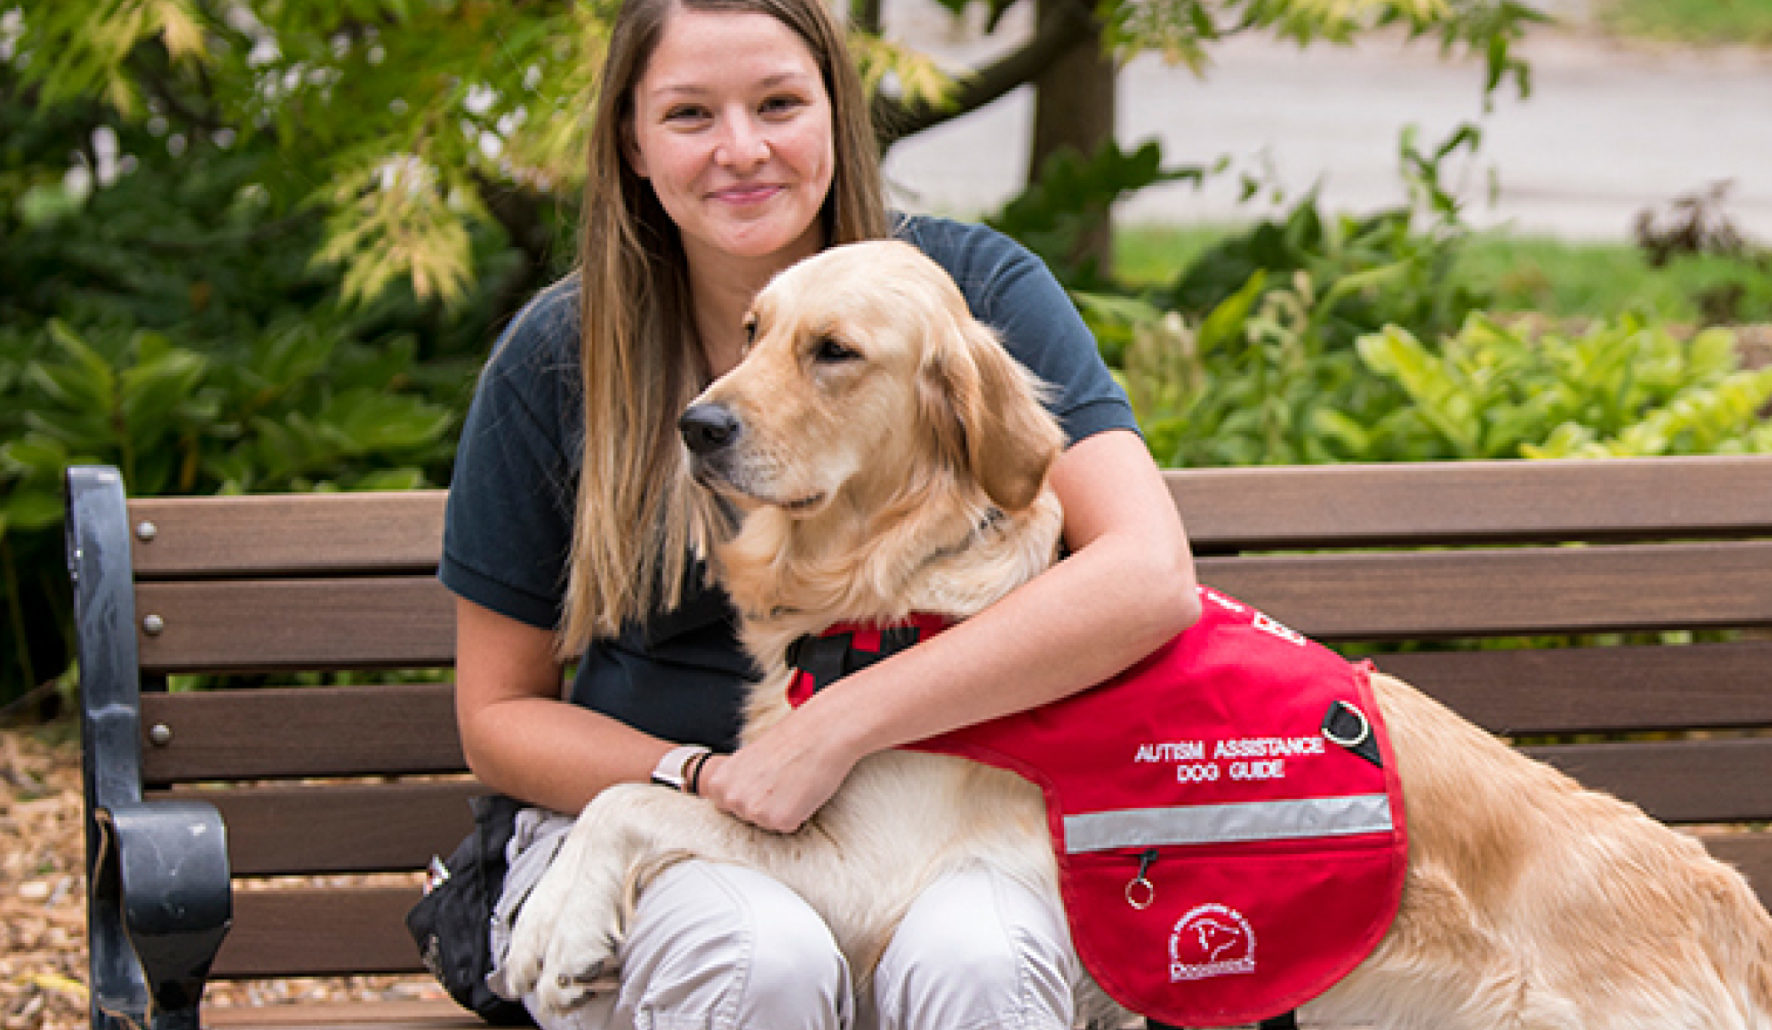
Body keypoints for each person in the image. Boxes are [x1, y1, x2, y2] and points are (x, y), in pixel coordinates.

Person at [441, 0, 1201, 1025]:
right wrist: (702, 778)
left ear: (836, 118)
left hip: (951, 814)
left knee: (979, 955)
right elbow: (496, 717)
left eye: (778, 104)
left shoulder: (965, 293)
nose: (739, 150)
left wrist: (833, 728)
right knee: (762, 954)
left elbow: (1145, 573)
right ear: (630, 140)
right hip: (669, 827)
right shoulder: (562, 356)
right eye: (688, 115)